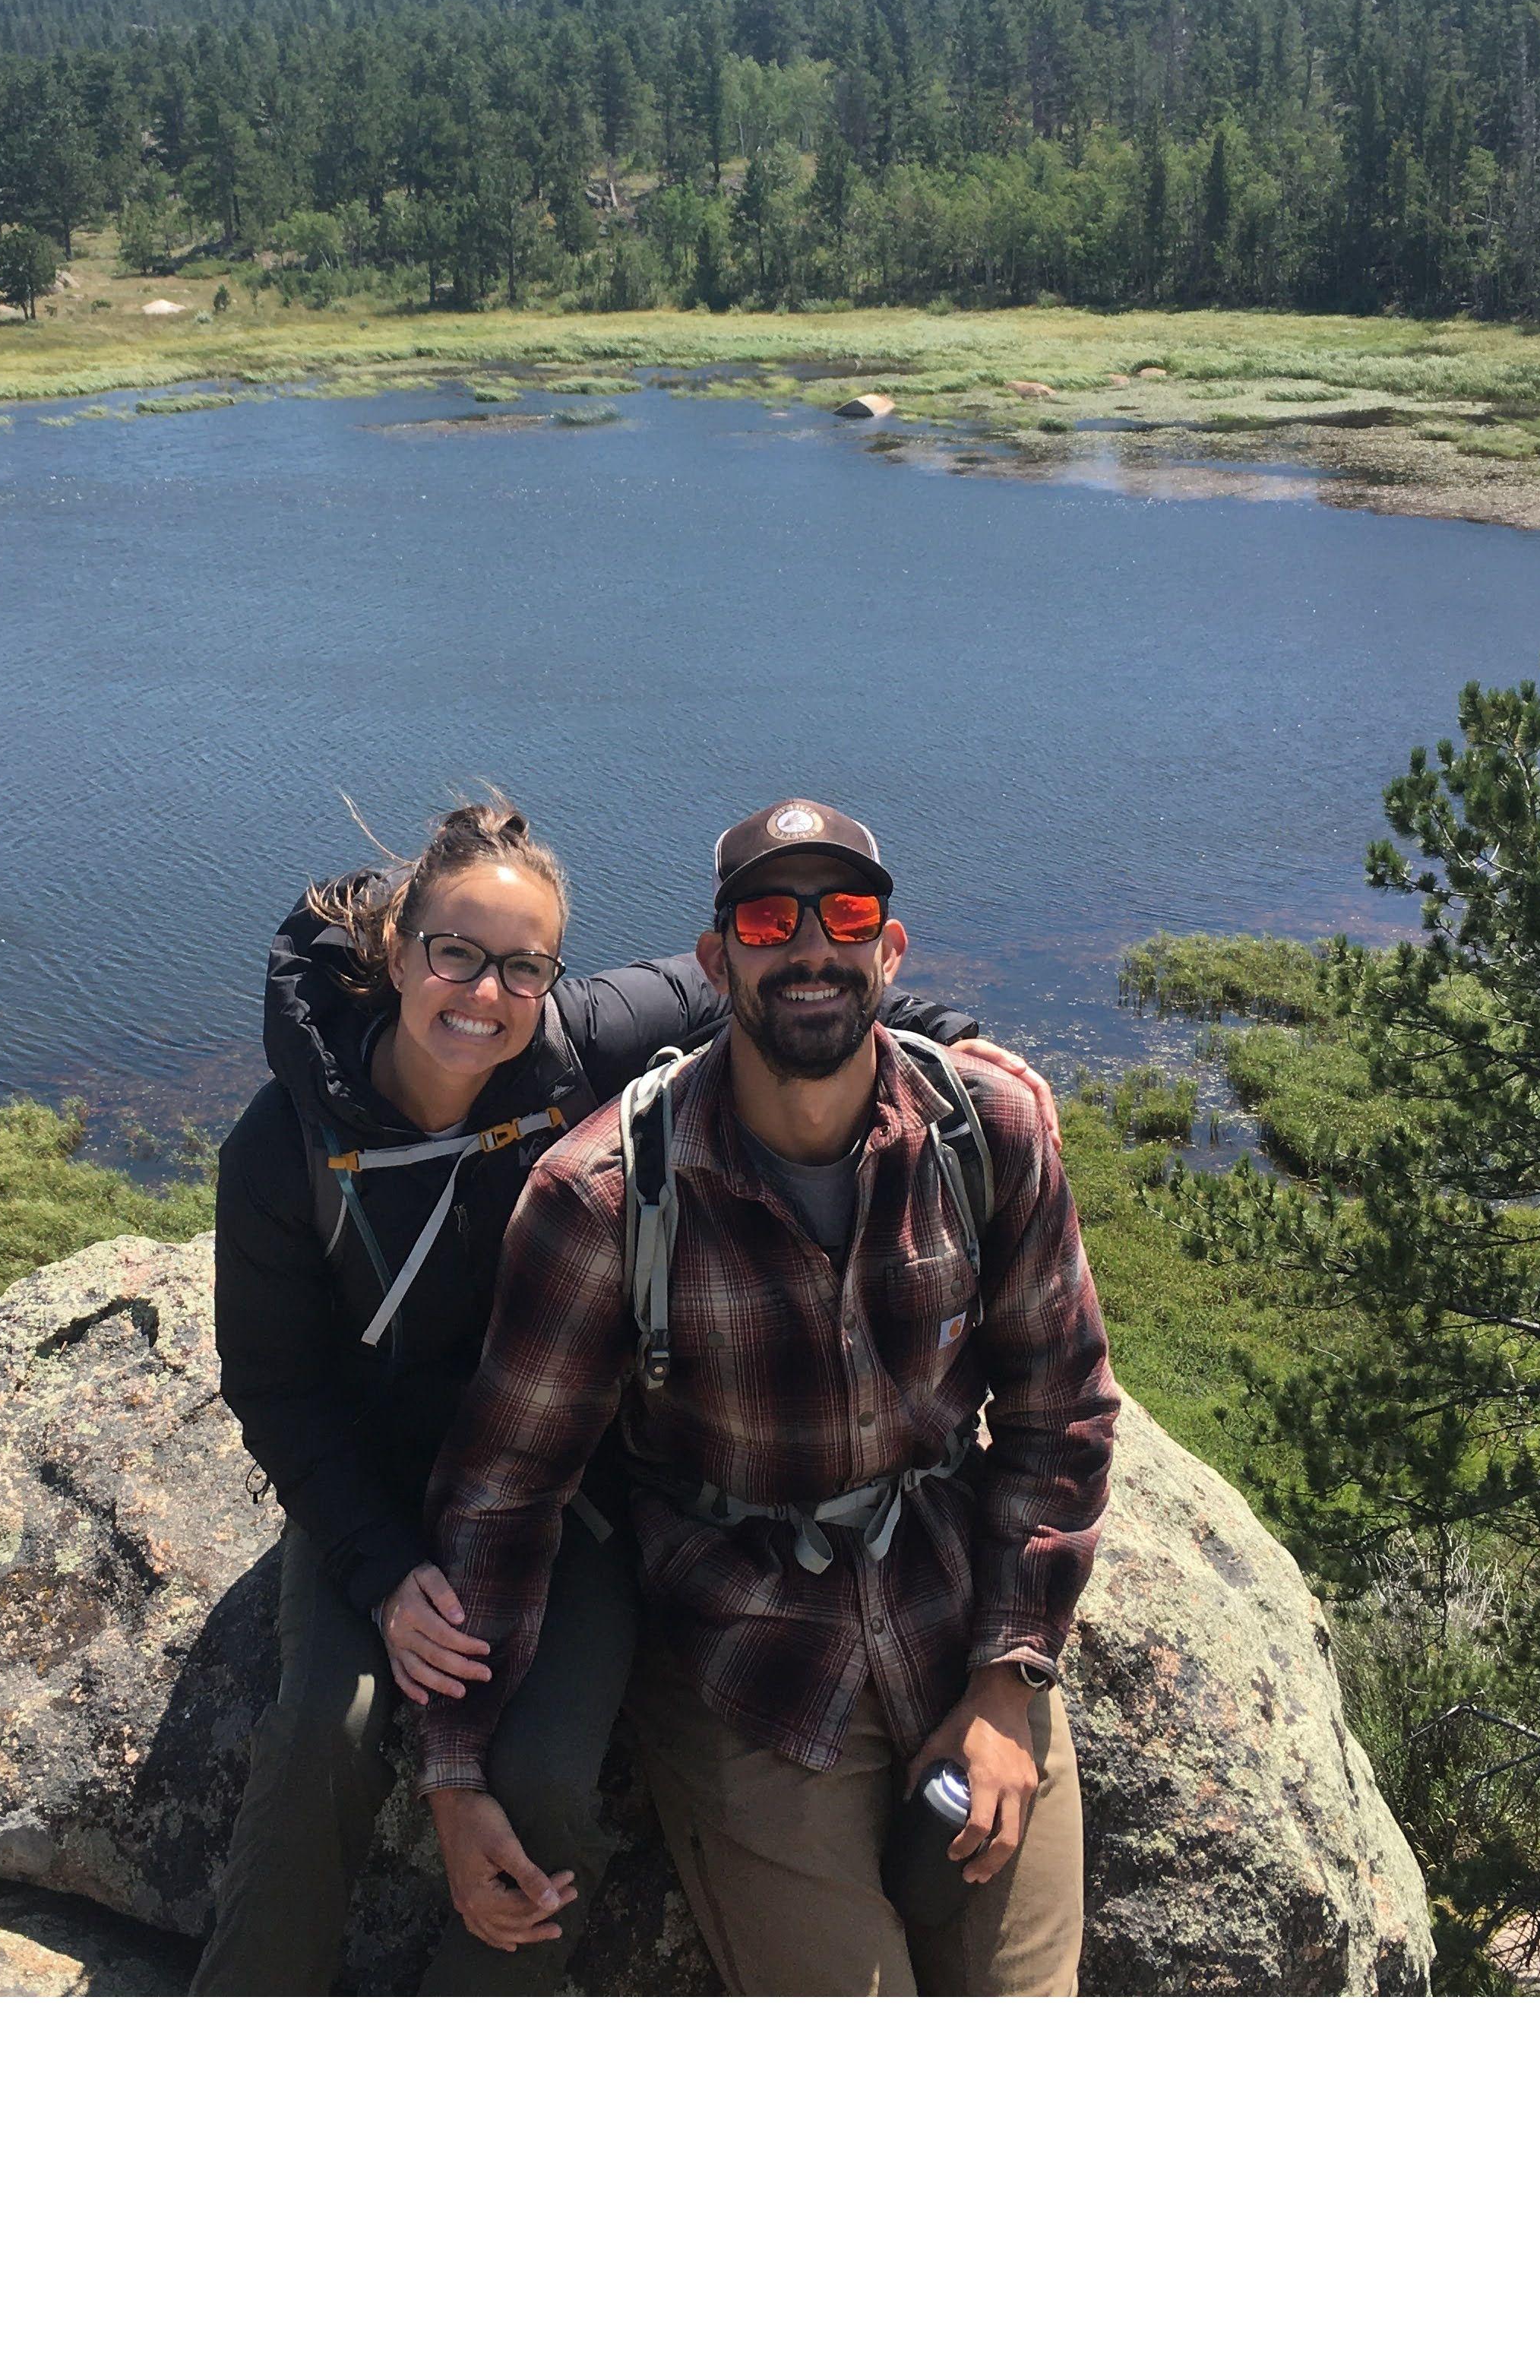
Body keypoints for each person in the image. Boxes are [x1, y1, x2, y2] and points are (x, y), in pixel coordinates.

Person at [194, 794, 1042, 1995]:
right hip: (374, 1490)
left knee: (548, 1778)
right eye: (456, 955)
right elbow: (276, 1390)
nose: (486, 996)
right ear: (399, 950)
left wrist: (950, 1037)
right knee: (326, 1734)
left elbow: (780, 981)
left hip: (562, 1483)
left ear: (552, 978)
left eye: (523, 968)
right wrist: (380, 1571)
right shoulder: (284, 1146)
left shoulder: (568, 1047)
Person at [419, 797, 1121, 1997]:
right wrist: (454, 1776)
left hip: (955, 1618)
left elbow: (1062, 1413)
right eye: (765, 920)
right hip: (748, 1663)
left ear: (889, 953)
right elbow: (507, 1490)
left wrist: (1010, 1679)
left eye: (843, 915)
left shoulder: (987, 1135)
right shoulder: (603, 1198)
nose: (808, 948)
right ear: (715, 961)